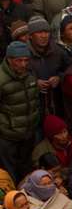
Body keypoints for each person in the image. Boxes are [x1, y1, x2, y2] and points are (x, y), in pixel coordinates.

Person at [0, 43, 41, 180]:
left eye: (26, 60)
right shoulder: (1, 79)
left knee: (26, 171)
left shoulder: (30, 74)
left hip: (28, 134)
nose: (23, 64)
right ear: (9, 59)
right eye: (19, 61)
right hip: (7, 137)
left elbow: (35, 100)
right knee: (11, 175)